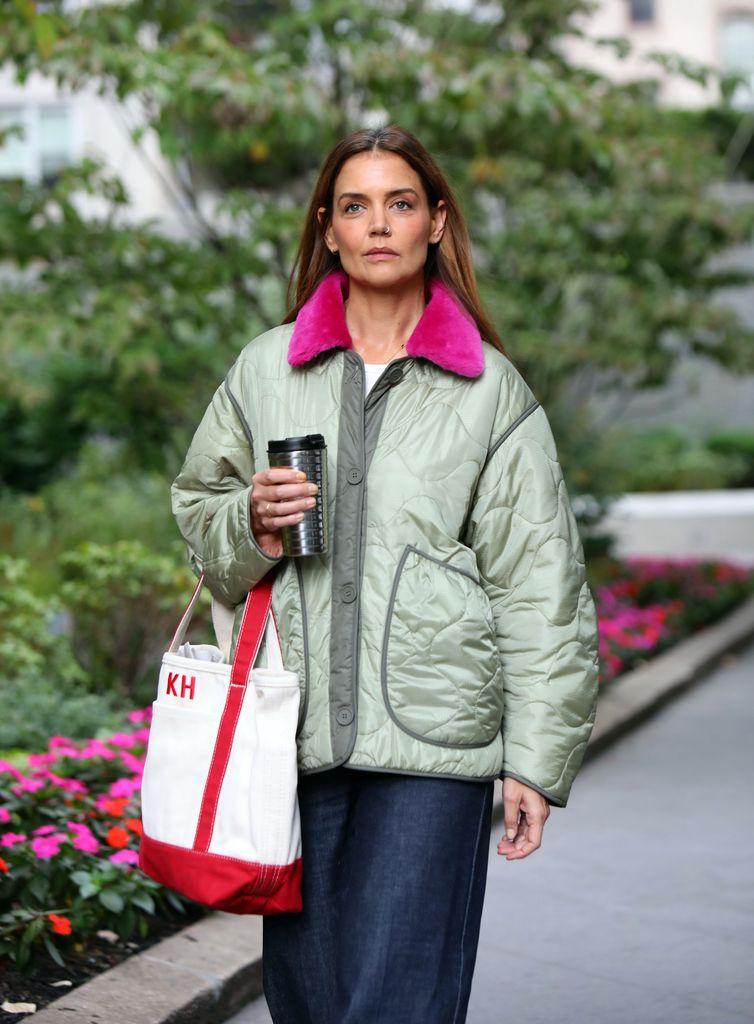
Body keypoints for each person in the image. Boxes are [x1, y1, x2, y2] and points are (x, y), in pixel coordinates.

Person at [171, 125, 600, 1024]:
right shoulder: (266, 368)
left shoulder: (491, 393)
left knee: (398, 1005)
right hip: (293, 741)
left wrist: (535, 760)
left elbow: (540, 588)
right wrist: (248, 519)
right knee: (312, 1006)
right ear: (327, 228)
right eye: (355, 206)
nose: (378, 225)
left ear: (436, 222)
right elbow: (199, 521)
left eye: (400, 203)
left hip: (434, 754)